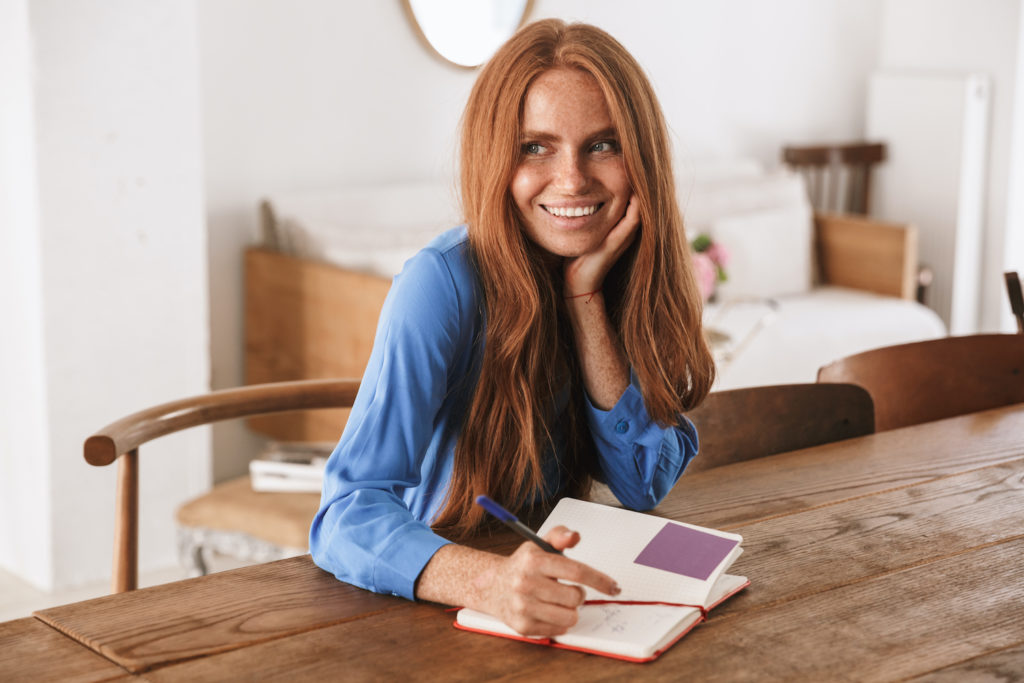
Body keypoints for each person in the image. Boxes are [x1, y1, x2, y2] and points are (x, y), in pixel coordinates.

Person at [309, 18, 715, 637]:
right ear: (497, 157)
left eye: (603, 144)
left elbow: (641, 485)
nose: (573, 178)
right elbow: (344, 513)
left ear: (642, 159)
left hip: (560, 600)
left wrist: (585, 301)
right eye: (536, 147)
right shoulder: (441, 285)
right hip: (438, 617)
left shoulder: (629, 272)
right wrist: (488, 584)